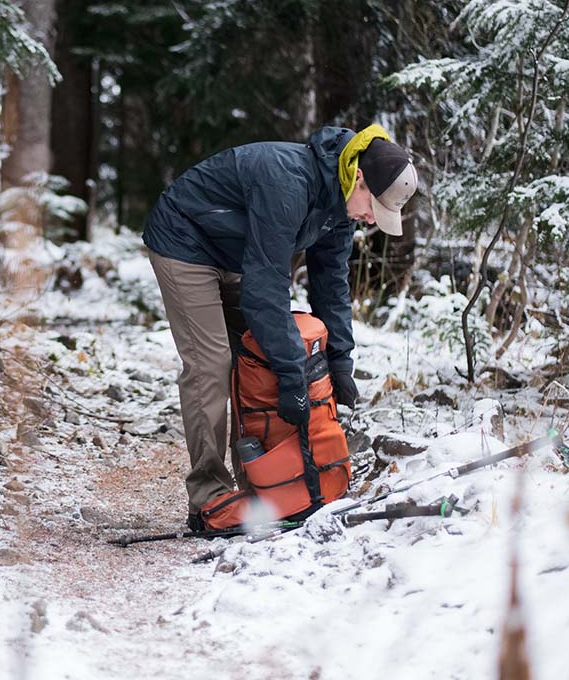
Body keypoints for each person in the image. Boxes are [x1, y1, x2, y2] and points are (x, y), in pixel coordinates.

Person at [142, 125, 418, 530]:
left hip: (238, 253)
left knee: (256, 361)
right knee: (212, 362)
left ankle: (259, 486)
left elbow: (331, 287)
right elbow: (267, 286)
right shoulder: (288, 181)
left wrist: (339, 361)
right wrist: (292, 373)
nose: (369, 219)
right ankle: (210, 498)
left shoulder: (339, 204)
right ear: (358, 176)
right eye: (372, 208)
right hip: (185, 240)